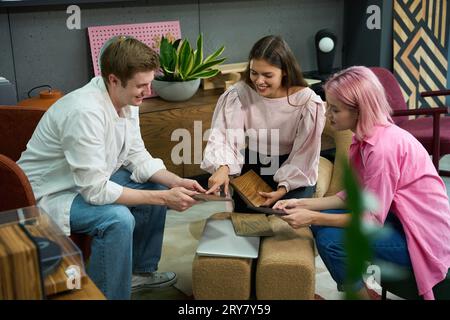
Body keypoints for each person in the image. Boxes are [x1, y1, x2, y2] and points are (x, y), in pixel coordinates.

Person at [17, 36, 205, 300]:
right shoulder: (84, 112)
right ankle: (108, 294)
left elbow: (135, 153)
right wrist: (163, 199)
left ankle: (139, 273)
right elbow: (94, 191)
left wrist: (174, 182)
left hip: (84, 182)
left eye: (149, 83)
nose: (147, 91)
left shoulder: (126, 99)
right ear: (114, 79)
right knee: (118, 219)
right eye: (141, 85)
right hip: (49, 194)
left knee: (157, 183)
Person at [273, 66, 450, 300]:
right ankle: (364, 291)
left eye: (335, 109)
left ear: (360, 110)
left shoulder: (382, 149)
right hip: (398, 220)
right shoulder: (368, 137)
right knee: (323, 226)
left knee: (331, 241)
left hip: (419, 238)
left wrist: (312, 217)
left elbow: (371, 220)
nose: (328, 115)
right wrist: (303, 204)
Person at [201, 35, 326, 211]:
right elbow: (224, 138)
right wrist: (223, 167)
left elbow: (305, 154)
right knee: (248, 225)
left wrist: (283, 188)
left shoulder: (307, 101)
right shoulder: (238, 94)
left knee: (286, 218)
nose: (259, 81)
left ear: (284, 71)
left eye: (267, 75)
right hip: (252, 165)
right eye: (254, 73)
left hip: (292, 167)